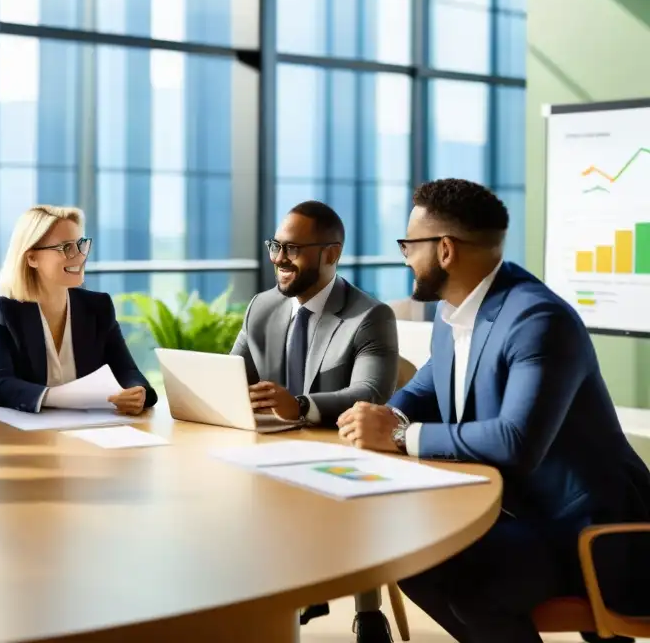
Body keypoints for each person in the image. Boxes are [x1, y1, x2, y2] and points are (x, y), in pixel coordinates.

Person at [337, 178, 650, 643]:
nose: (404, 255)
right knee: (415, 561)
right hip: (521, 514)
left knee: (471, 583)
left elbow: (516, 442)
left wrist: (400, 436)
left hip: (589, 535)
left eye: (409, 244)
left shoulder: (537, 320)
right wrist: (377, 418)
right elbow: (421, 391)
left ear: (445, 250)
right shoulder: (454, 316)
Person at [230, 200, 399, 643]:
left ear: (330, 254)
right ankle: (276, 595)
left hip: (339, 447)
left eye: (292, 249)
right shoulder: (262, 308)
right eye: (275, 245)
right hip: (271, 451)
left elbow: (370, 393)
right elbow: (234, 374)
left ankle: (367, 613)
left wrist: (301, 406)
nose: (278, 259)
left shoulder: (369, 316)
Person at [0, 205, 157, 414]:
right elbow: (0, 385)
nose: (79, 256)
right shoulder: (3, 312)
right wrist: (67, 397)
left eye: (81, 245)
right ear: (32, 258)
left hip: (86, 431)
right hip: (20, 437)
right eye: (66, 247)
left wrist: (137, 391)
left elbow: (127, 370)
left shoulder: (98, 308)